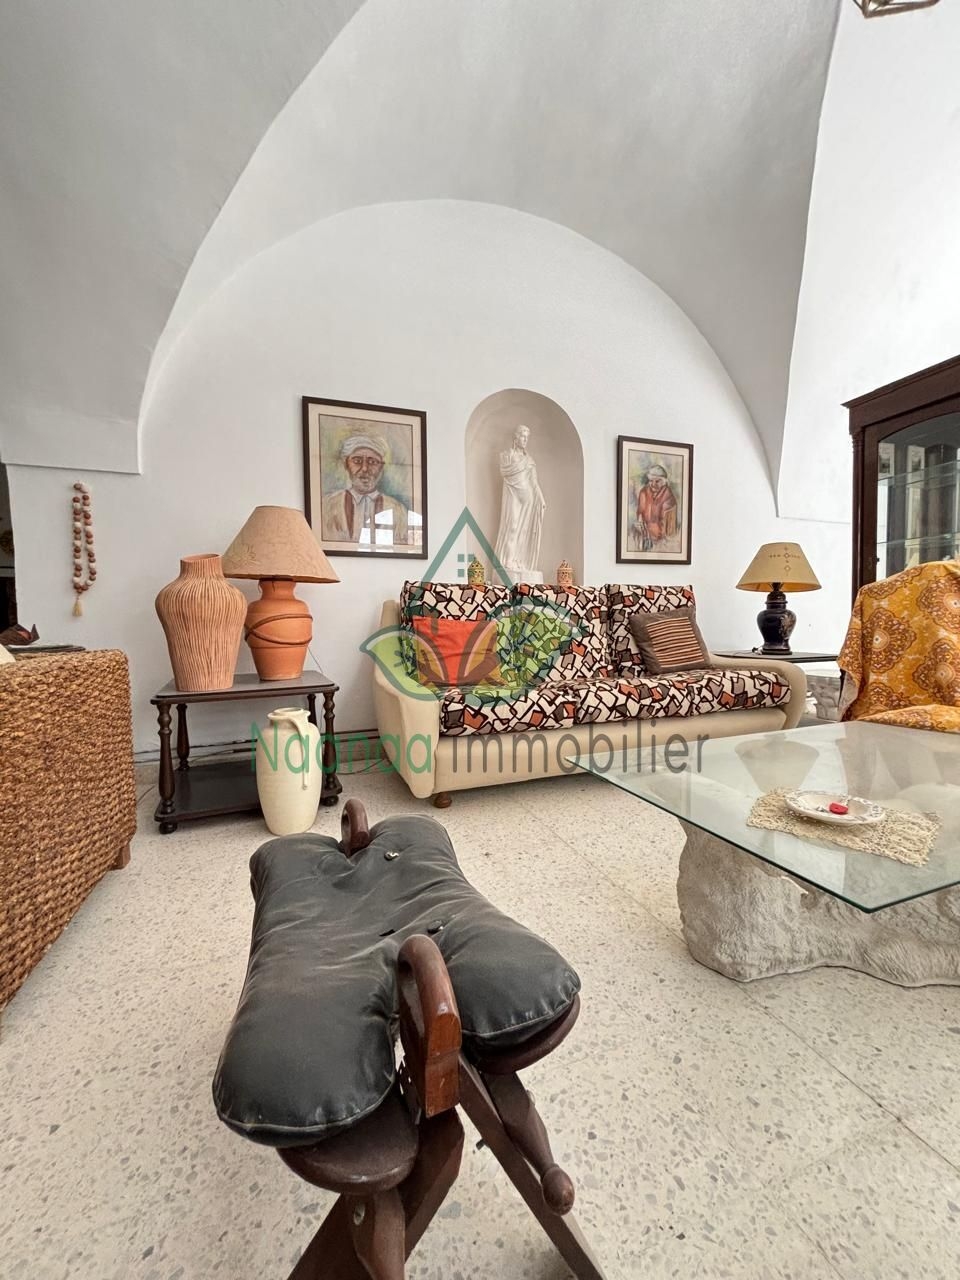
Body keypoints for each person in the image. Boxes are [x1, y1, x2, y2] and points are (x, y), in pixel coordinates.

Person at [322, 434, 409, 546]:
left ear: (381, 468)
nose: (364, 469)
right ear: (346, 465)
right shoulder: (327, 505)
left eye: (372, 462)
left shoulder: (397, 510)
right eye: (357, 461)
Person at [494, 424, 546, 576]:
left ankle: (519, 560)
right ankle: (507, 560)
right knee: (512, 525)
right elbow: (504, 471)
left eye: (527, 437)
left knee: (524, 530)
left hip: (528, 497)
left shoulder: (529, 460)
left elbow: (534, 482)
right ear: (515, 438)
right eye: (522, 436)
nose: (525, 440)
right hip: (513, 493)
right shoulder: (506, 456)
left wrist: (541, 498)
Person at [633, 464, 678, 551]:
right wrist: (640, 520)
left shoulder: (668, 497)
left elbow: (667, 527)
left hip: (661, 539)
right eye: (651, 481)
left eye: (657, 481)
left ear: (664, 482)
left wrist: (649, 530)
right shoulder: (643, 492)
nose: (653, 484)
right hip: (644, 534)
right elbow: (640, 511)